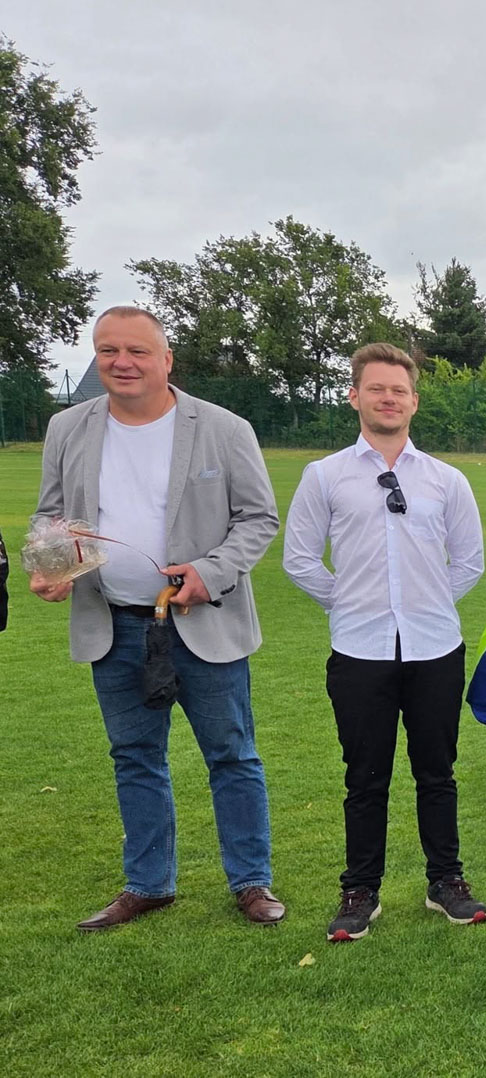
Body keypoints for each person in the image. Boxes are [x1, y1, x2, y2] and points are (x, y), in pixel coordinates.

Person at [31, 305, 283, 930]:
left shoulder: (224, 428)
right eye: (108, 350)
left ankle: (251, 881)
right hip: (113, 623)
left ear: (166, 359)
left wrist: (210, 572)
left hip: (202, 623)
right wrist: (53, 565)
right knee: (135, 756)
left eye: (137, 351)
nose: (122, 362)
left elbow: (258, 519)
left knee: (232, 755)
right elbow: (51, 515)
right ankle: (149, 885)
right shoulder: (67, 427)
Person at [283, 343, 486, 942]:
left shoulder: (446, 480)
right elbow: (300, 559)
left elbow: (469, 562)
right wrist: (350, 602)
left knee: (437, 773)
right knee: (365, 777)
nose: (389, 399)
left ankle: (445, 881)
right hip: (359, 651)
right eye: (376, 388)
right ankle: (360, 891)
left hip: (435, 649)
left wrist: (425, 603)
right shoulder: (325, 475)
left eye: (399, 390)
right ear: (355, 396)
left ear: (414, 402)